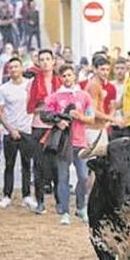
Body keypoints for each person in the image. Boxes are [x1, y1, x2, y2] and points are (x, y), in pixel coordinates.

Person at [44, 64, 94, 225]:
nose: (67, 78)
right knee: (63, 178)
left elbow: (91, 118)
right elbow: (45, 115)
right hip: (63, 143)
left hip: (80, 142)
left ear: (75, 76)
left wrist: (78, 116)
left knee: (84, 177)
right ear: (60, 78)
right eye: (64, 76)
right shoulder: (55, 97)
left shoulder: (84, 95)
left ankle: (81, 206)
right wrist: (58, 121)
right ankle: (65, 211)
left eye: (69, 75)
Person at [0, 57, 35, 209]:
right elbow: (0, 111)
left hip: (27, 130)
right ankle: (6, 195)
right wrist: (10, 129)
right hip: (9, 132)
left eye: (16, 67)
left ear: (21, 68)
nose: (13, 70)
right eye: (11, 68)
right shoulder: (3, 89)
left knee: (26, 164)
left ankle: (26, 195)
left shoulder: (30, 85)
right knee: (9, 165)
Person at [26, 49, 61, 214]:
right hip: (39, 126)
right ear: (38, 63)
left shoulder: (60, 82)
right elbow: (30, 108)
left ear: (53, 61)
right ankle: (40, 201)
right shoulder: (33, 83)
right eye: (42, 59)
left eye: (48, 59)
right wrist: (45, 106)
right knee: (39, 165)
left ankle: (60, 201)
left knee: (56, 166)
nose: (46, 62)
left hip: (56, 127)